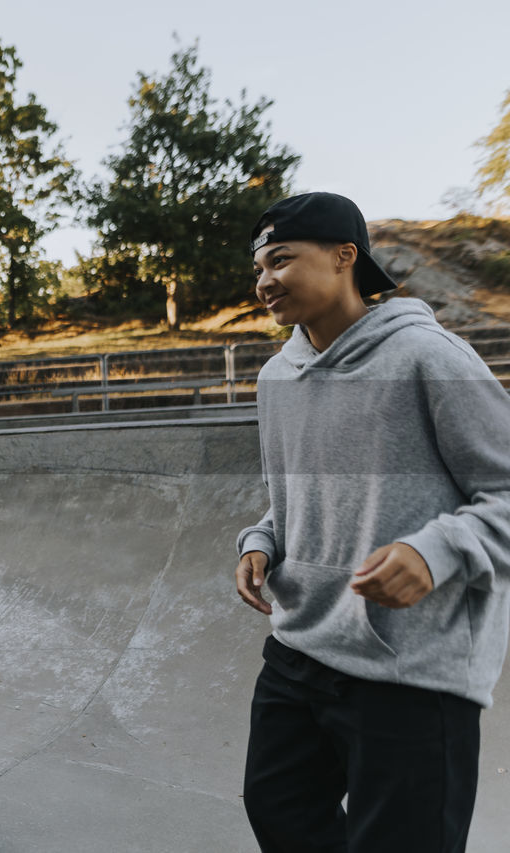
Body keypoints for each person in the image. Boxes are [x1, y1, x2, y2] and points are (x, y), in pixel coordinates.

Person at [234, 191, 510, 852]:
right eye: (258, 268)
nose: (265, 280)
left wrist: (439, 549)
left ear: (344, 256)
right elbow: (292, 489)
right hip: (300, 647)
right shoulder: (276, 377)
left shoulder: (430, 357)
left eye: (281, 260)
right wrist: (263, 540)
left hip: (412, 668)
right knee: (279, 810)